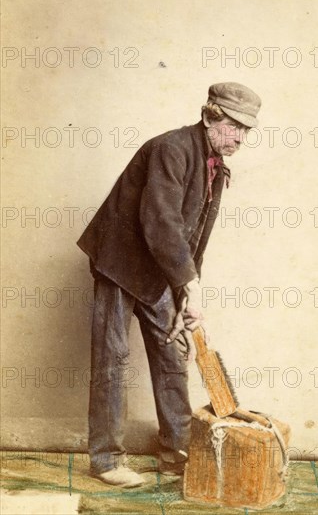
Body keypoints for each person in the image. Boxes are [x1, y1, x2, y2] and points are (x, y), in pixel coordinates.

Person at [77, 82, 261, 487]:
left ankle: (176, 456)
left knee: (172, 354)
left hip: (159, 267)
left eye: (248, 130)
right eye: (234, 126)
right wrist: (188, 287)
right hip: (119, 261)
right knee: (113, 357)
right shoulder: (171, 148)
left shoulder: (216, 163)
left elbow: (193, 236)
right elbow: (160, 221)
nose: (241, 138)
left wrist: (186, 292)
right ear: (211, 116)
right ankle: (106, 460)